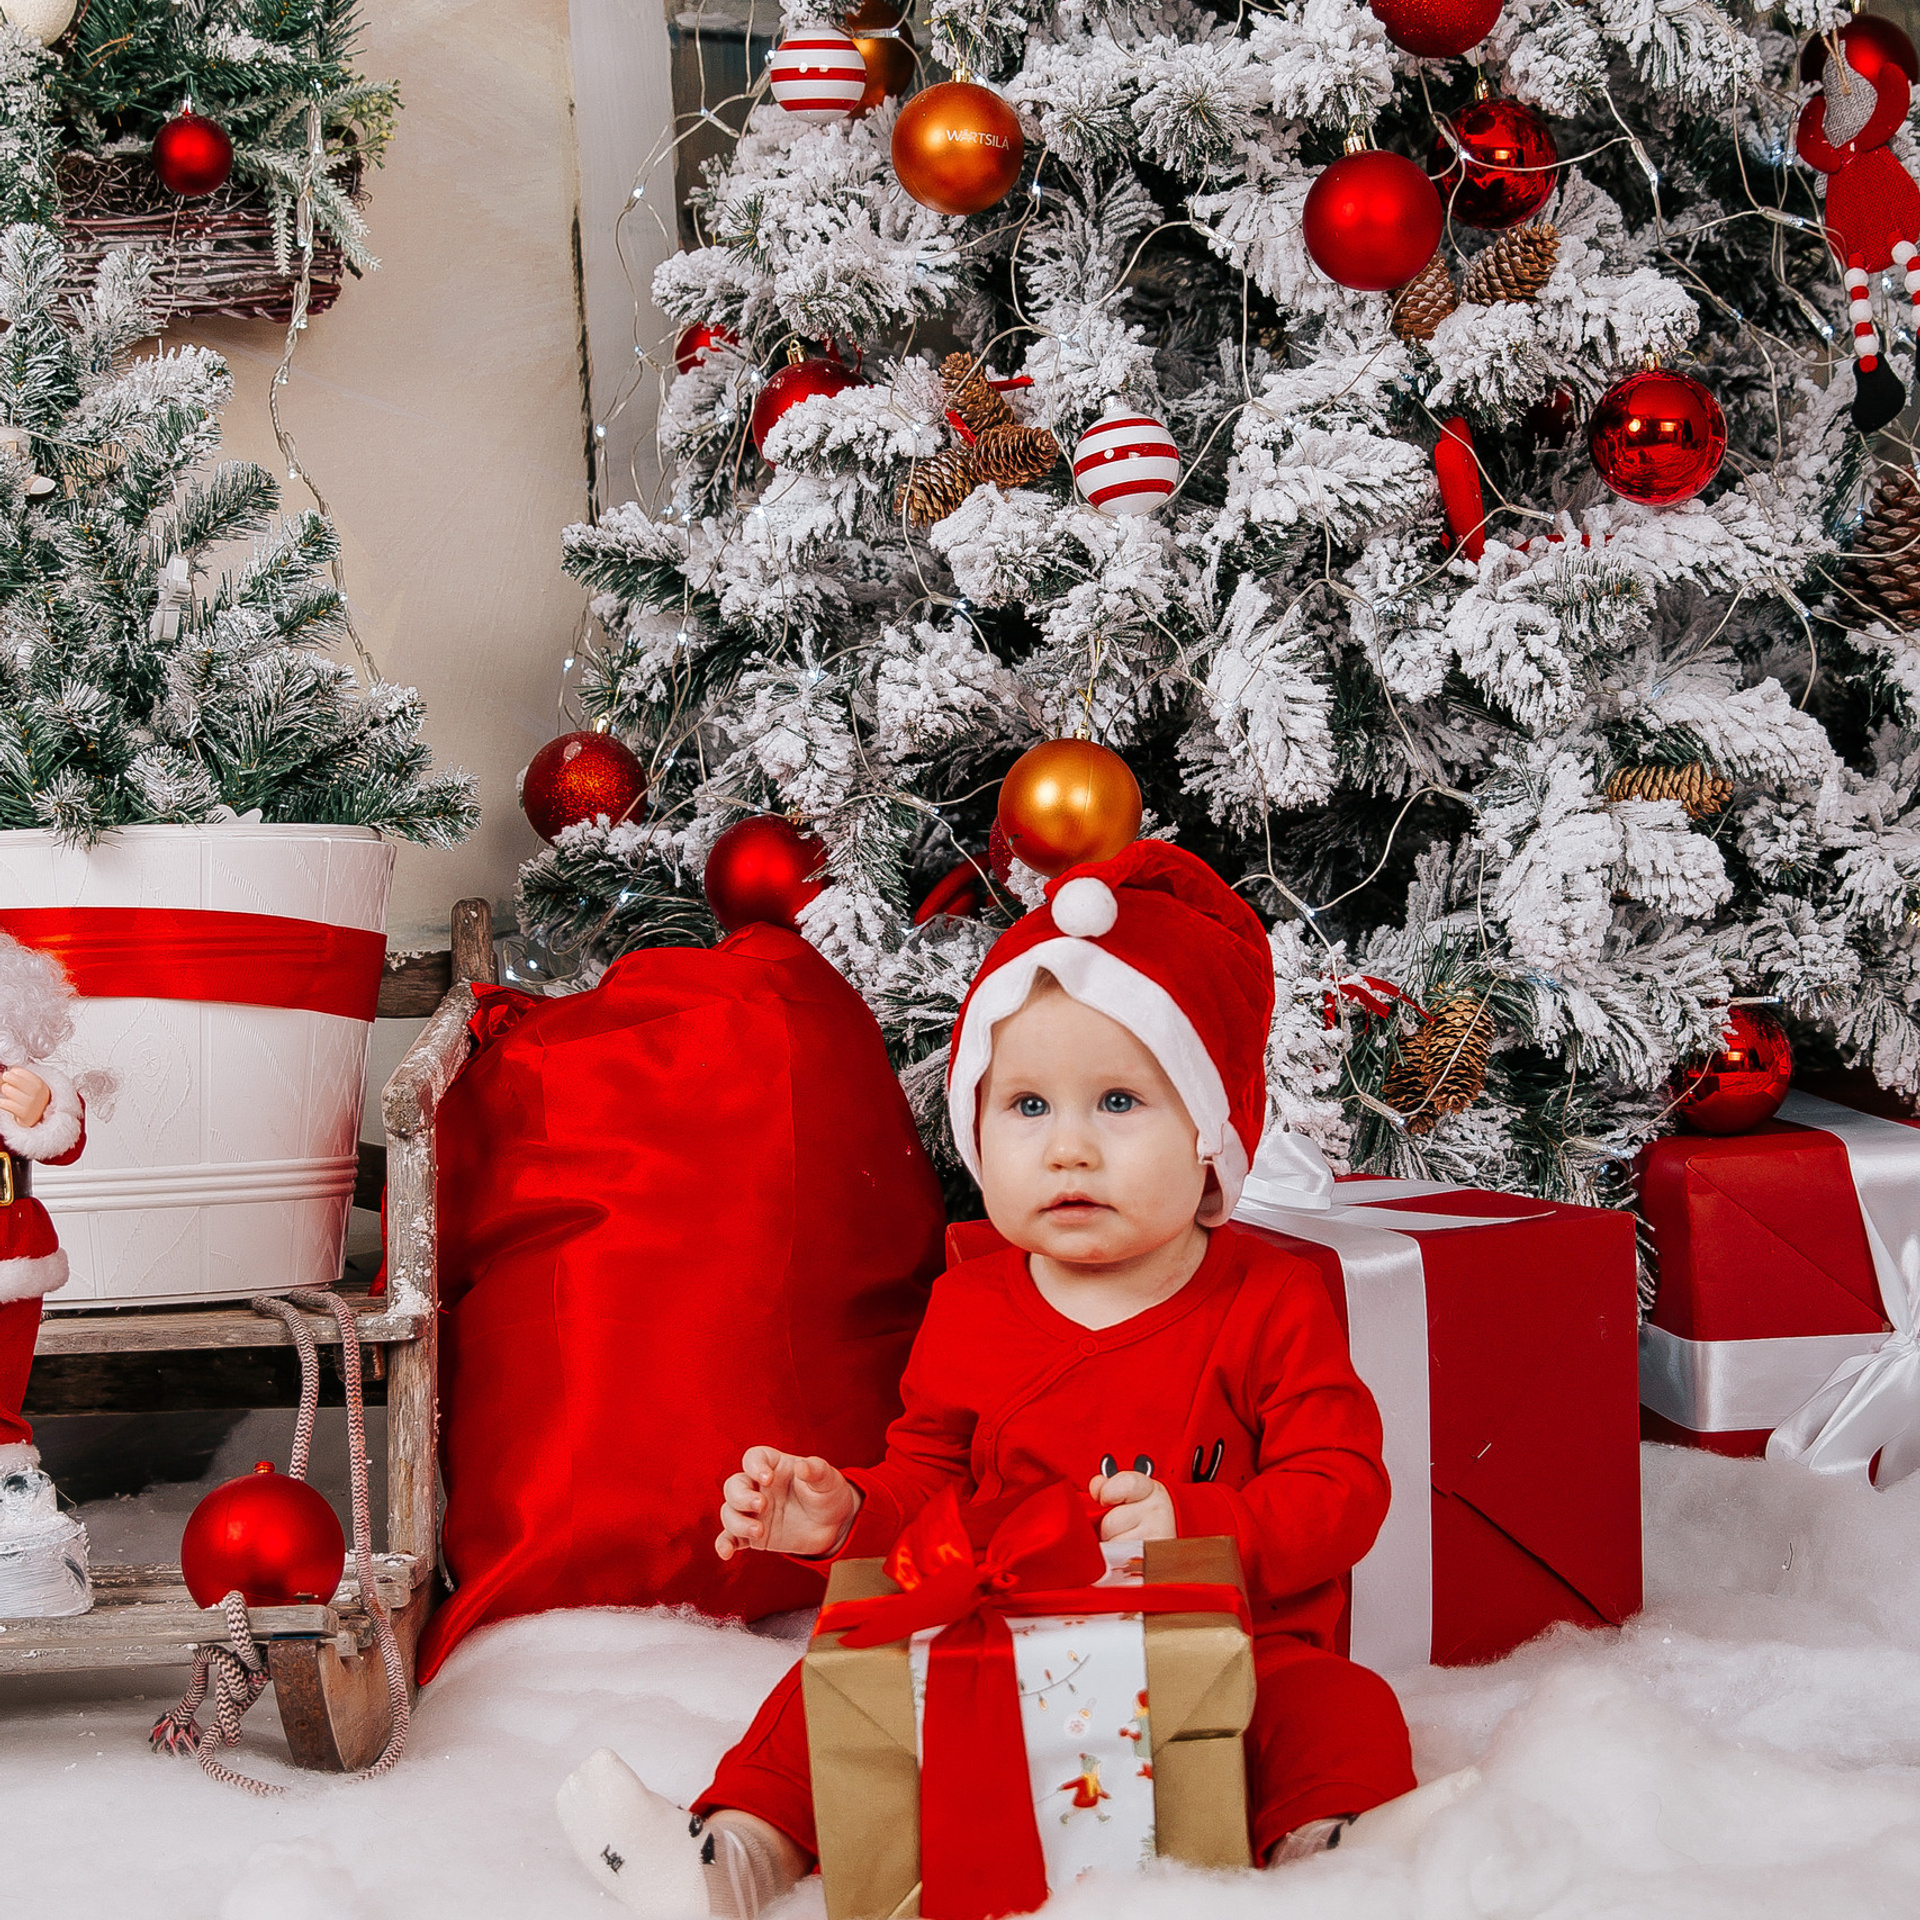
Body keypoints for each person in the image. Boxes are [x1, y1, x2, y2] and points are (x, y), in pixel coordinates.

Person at [558, 841, 1474, 1914]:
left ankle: (1332, 1840)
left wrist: (1194, 1519)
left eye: (1120, 1103)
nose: (1069, 1150)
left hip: (1219, 1635)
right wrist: (845, 1511)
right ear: (978, 1136)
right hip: (997, 1634)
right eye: (1028, 1107)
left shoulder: (1268, 1300)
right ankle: (733, 1851)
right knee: (825, 1688)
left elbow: (1342, 1490)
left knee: (1334, 1701)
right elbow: (929, 1482)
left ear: (1208, 1142)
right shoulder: (973, 1302)